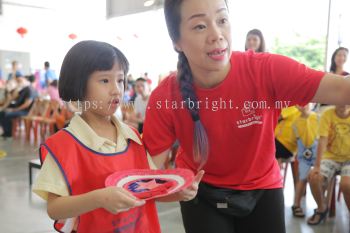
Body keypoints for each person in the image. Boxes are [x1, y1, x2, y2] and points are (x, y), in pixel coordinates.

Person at [142, 0, 350, 233]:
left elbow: (342, 89)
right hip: (201, 191)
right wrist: (172, 191)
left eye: (222, 20)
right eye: (200, 26)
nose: (216, 35)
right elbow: (148, 175)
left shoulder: (265, 70)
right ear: (176, 42)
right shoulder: (166, 96)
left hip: (262, 187)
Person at [32, 40, 201, 233]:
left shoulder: (133, 137)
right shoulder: (63, 146)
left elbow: (148, 192)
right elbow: (55, 209)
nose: (116, 89)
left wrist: (179, 193)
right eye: (105, 80)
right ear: (79, 84)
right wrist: (99, 199)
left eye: (120, 80)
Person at [307, 104, 350, 225]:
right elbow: (322, 140)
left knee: (346, 184)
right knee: (314, 177)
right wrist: (317, 166)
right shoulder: (327, 114)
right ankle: (321, 208)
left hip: (349, 159)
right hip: (331, 157)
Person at [291, 104, 319, 217]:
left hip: (318, 155)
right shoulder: (295, 122)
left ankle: (321, 205)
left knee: (319, 179)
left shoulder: (317, 117)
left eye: (306, 103)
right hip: (304, 156)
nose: (303, 106)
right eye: (300, 104)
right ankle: (296, 204)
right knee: (301, 179)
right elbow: (295, 140)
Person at [0, 73, 36, 138]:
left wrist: (13, 110)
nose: (19, 82)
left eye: (20, 80)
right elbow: (14, 97)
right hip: (18, 108)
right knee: (2, 112)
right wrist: (17, 87)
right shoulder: (23, 89)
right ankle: (6, 131)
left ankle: (9, 133)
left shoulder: (30, 90)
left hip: (25, 111)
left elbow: (26, 105)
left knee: (6, 113)